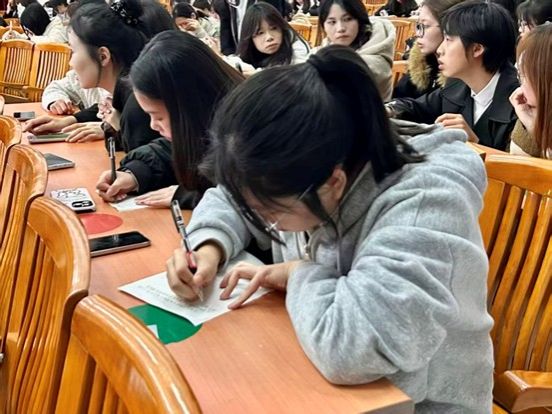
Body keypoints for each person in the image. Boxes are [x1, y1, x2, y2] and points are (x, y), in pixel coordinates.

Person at [165, 45, 493, 411]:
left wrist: (299, 272)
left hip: (421, 404)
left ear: (333, 183)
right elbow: (233, 197)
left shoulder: (424, 204)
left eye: (269, 213)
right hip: (324, 380)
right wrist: (208, 247)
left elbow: (353, 349)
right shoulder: (314, 161)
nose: (264, 222)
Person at [95, 31, 244, 208]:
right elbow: (171, 149)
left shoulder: (249, 133)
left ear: (190, 103)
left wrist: (189, 196)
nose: (153, 125)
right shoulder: (205, 126)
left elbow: (244, 197)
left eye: (158, 117)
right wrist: (135, 173)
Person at [24, 0, 172, 148]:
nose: (70, 62)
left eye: (74, 51)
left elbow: (141, 156)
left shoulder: (138, 107)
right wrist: (71, 120)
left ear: (103, 56)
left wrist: (115, 130)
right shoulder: (126, 96)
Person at [388, 0, 518, 150]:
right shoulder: (457, 85)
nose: (440, 50)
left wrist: (476, 144)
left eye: (448, 40)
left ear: (477, 49)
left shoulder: (520, 102)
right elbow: (416, 108)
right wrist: (387, 110)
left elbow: (520, 163)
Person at [316, 0, 395, 101]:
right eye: (332, 22)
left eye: (348, 19)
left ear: (360, 21)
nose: (340, 28)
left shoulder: (374, 64)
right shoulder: (326, 51)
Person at [393, 0, 462, 99]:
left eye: (425, 26)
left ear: (450, 29)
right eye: (418, 26)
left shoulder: (462, 78)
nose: (418, 34)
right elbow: (399, 98)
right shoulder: (421, 64)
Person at [509, 24, 552, 158]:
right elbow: (514, 164)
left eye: (523, 75)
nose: (520, 87)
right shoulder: (533, 112)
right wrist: (530, 124)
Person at [236, 2, 310, 69]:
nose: (269, 37)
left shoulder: (296, 48)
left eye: (274, 28)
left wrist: (256, 74)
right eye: (260, 33)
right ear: (250, 38)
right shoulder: (249, 54)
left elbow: (297, 75)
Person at [214, 0, 291, 55]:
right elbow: (226, 29)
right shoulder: (225, 3)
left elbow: (276, 24)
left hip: (269, 54)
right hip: (240, 55)